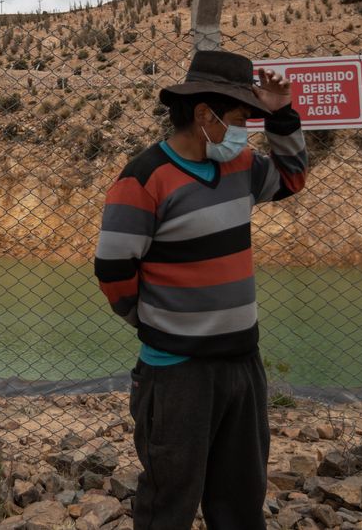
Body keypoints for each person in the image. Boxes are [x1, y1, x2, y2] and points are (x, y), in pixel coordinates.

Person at [94, 48, 307, 530]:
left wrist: (282, 115)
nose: (243, 131)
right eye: (238, 118)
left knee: (240, 495)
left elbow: (293, 178)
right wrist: (158, 326)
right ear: (205, 115)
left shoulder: (242, 169)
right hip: (177, 374)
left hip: (242, 366)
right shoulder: (144, 178)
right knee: (170, 498)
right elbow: (112, 270)